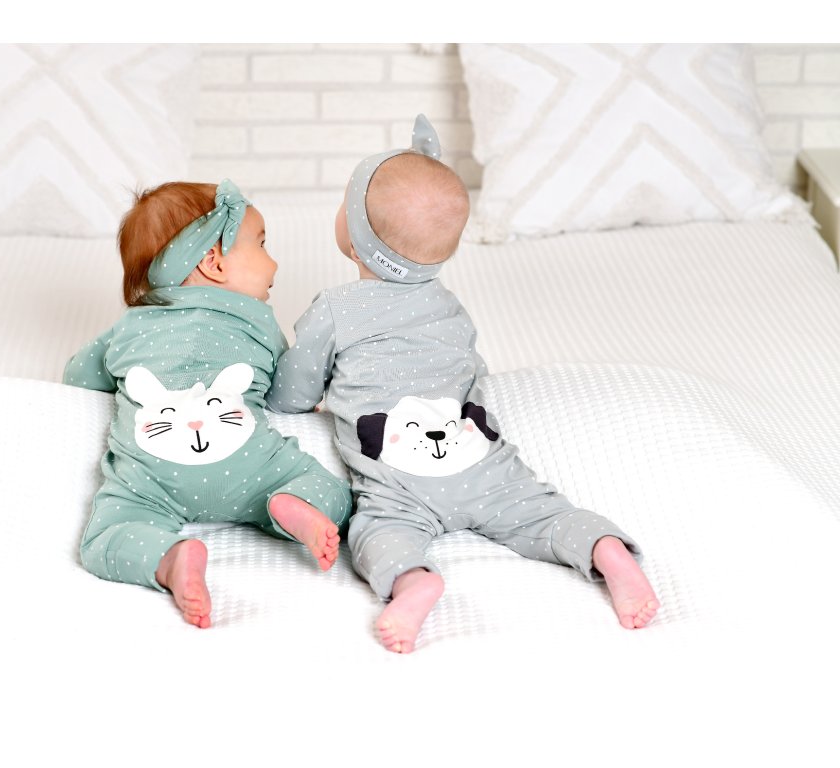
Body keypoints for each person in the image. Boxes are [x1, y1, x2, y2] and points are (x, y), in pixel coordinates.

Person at [266, 116, 659, 653]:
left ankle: (413, 582)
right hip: (481, 464)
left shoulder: (335, 308)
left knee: (377, 534)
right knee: (544, 514)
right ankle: (604, 550)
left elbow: (291, 394)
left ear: (357, 242)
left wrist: (305, 396)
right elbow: (474, 370)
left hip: (399, 486)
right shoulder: (449, 306)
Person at [64, 179, 352, 629]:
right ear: (214, 264)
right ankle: (291, 504)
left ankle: (170, 558)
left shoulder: (128, 328)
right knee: (335, 494)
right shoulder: (258, 322)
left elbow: (77, 378)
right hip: (253, 472)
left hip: (152, 482)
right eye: (262, 243)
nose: (274, 261)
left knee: (103, 541)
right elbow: (286, 394)